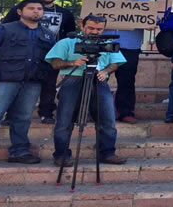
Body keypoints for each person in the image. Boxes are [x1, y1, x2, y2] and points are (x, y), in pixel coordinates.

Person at [0, 0, 56, 169]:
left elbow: (51, 59)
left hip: (32, 83)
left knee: (23, 118)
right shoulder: (4, 29)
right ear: (20, 12)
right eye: (31, 8)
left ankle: (19, 152)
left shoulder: (47, 34)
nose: (36, 11)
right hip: (3, 81)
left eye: (39, 9)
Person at [46, 14, 128, 166]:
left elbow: (116, 63)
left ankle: (107, 153)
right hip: (72, 80)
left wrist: (105, 71)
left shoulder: (108, 43)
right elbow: (55, 63)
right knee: (64, 120)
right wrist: (72, 62)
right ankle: (61, 155)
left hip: (99, 81)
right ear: (82, 26)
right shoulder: (67, 42)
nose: (95, 32)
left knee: (107, 120)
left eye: (99, 29)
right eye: (91, 28)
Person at [2, 0, 76, 124]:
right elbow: (6, 28)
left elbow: (69, 34)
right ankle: (11, 115)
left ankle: (46, 113)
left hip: (51, 53)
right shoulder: (21, 9)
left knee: (49, 85)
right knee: (19, 84)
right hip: (24, 54)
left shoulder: (65, 13)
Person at [95, 0, 150, 124]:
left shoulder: (143, 2)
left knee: (127, 79)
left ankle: (126, 112)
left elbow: (153, 19)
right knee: (96, 77)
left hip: (129, 46)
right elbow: (89, 18)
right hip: (103, 45)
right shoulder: (100, 0)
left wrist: (151, 23)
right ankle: (94, 110)